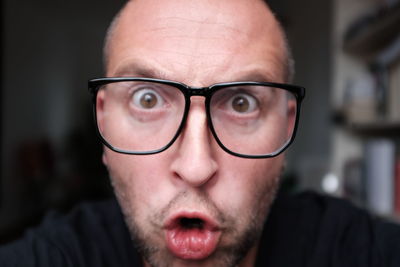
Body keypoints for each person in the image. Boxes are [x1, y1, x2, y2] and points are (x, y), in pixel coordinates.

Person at [1, 0, 399, 266]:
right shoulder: (57, 255)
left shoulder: (354, 249)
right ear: (103, 123)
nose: (195, 168)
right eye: (147, 99)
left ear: (286, 128)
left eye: (242, 103)